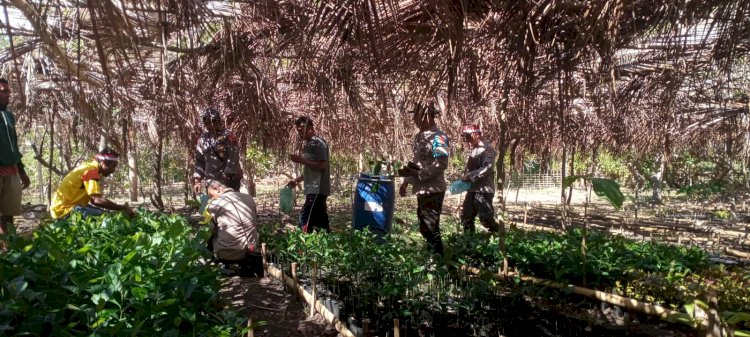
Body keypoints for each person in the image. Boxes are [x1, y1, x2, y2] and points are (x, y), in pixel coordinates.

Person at [398, 102, 449, 254]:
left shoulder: (439, 137)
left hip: (434, 188)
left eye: (417, 116)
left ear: (426, 116)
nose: (414, 119)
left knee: (430, 226)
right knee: (424, 226)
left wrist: (420, 174)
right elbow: (416, 161)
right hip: (421, 188)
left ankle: (438, 259)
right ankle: (433, 256)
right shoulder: (419, 136)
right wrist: (406, 181)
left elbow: (442, 163)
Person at [50, 148, 135, 219]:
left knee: (106, 214)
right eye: (113, 166)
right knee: (108, 218)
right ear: (104, 162)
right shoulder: (91, 171)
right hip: (64, 211)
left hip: (64, 209)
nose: (113, 170)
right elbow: (96, 200)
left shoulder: (89, 167)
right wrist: (122, 208)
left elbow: (92, 199)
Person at [202, 179, 262, 277]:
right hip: (252, 249)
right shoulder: (249, 198)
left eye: (211, 195)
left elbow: (208, 231)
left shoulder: (215, 203)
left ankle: (217, 265)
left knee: (207, 235)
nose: (211, 198)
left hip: (228, 252)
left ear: (217, 189)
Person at [286, 116, 330, 232]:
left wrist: (301, 160)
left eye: (301, 130)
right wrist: (298, 180)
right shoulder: (309, 144)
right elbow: (311, 169)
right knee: (320, 220)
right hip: (312, 187)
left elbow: (322, 166)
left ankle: (303, 244)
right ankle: (326, 240)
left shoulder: (318, 144)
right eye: (298, 130)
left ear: (310, 128)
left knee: (305, 217)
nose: (300, 133)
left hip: (318, 188)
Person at [0, 78, 30, 243]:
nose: (8, 95)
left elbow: (13, 144)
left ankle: (9, 242)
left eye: (8, 91)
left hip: (11, 169)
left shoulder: (9, 117)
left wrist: (22, 171)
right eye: (4, 91)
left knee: (9, 210)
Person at [459, 124, 499, 233]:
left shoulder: (487, 149)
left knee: (485, 218)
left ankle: (499, 233)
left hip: (484, 190)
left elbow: (488, 167)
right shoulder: (474, 150)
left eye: (468, 137)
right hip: (472, 189)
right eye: (465, 137)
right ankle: (468, 243)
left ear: (476, 134)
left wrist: (470, 176)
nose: (467, 140)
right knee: (466, 216)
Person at [192, 108, 242, 194]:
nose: (210, 125)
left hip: (228, 181)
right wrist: (197, 181)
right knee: (213, 206)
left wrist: (227, 176)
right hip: (211, 181)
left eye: (213, 122)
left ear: (218, 121)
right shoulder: (202, 140)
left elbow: (233, 157)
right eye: (207, 123)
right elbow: (199, 161)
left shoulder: (229, 137)